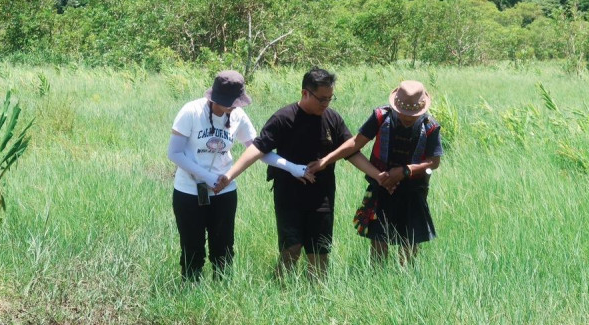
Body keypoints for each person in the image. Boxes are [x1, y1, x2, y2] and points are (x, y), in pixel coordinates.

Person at [167, 70, 311, 281]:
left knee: (223, 248)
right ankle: (190, 288)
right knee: (192, 247)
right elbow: (175, 153)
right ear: (213, 96)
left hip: (225, 192)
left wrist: (291, 167)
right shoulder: (191, 111)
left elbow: (258, 150)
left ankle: (221, 289)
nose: (232, 107)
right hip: (189, 191)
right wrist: (207, 177)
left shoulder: (238, 116)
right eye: (228, 102)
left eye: (235, 102)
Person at [214, 68, 354, 277]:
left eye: (330, 99)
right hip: (289, 195)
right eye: (321, 99)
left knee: (320, 251)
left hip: (322, 196)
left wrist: (378, 176)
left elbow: (351, 148)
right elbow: (257, 148)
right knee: (292, 248)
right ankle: (281, 289)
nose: (326, 104)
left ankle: (317, 296)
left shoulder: (332, 118)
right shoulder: (283, 118)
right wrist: (229, 176)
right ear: (305, 93)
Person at [309, 80, 443, 265]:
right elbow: (356, 142)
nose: (407, 117)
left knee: (410, 239)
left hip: (414, 190)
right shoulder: (381, 116)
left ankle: (406, 278)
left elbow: (433, 162)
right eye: (403, 113)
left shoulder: (430, 126)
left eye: (412, 115)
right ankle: (378, 274)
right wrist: (326, 160)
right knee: (379, 237)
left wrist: (406, 171)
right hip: (381, 185)